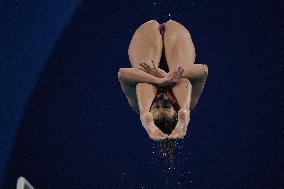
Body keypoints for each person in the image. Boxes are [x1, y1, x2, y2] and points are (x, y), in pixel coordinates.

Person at [118, 20, 208, 141]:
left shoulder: (138, 104)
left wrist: (160, 80)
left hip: (147, 47)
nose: (160, 101)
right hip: (177, 41)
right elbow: (203, 71)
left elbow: (122, 74)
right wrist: (169, 78)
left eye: (155, 108)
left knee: (144, 81)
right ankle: (184, 112)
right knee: (181, 80)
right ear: (176, 112)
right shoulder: (188, 102)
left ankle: (145, 115)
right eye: (166, 107)